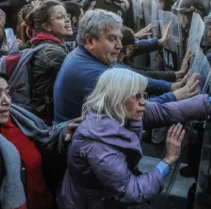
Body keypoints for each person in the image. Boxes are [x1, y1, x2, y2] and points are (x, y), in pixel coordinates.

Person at [57, 63, 211, 209]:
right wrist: (168, 160)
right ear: (117, 98)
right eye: (137, 96)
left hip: (106, 197)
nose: (144, 101)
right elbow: (131, 191)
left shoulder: (121, 111)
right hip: (89, 206)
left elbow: (167, 111)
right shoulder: (98, 146)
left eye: (144, 94)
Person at [54, 9, 193, 123]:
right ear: (90, 41)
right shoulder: (92, 73)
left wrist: (169, 86)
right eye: (112, 39)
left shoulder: (88, 56)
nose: (119, 46)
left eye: (119, 38)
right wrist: (175, 96)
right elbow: (134, 108)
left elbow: (130, 74)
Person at [0, 73, 82, 209]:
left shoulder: (19, 119)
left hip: (44, 203)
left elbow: (44, 137)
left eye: (7, 93)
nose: (6, 101)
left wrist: (62, 132)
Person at [25, 0, 73, 123]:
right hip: (46, 120)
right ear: (47, 26)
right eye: (60, 17)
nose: (67, 20)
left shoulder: (43, 45)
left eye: (66, 15)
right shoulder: (53, 53)